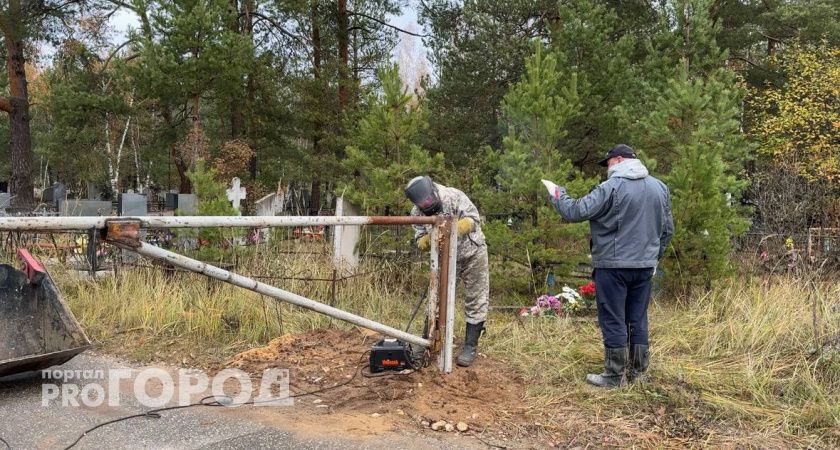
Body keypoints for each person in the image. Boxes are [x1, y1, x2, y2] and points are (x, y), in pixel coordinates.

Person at [544, 144, 674, 388]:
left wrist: (558, 193)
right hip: (645, 266)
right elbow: (667, 230)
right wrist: (653, 257)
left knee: (613, 317)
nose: (607, 169)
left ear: (618, 160)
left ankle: (614, 377)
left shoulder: (611, 187)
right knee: (637, 318)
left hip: (613, 266)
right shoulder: (660, 188)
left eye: (608, 164)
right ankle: (638, 374)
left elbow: (575, 211)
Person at [405, 176, 489, 367]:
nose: (427, 204)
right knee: (436, 299)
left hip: (472, 252)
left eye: (429, 200)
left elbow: (474, 219)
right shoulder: (416, 213)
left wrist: (458, 227)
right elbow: (419, 236)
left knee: (477, 297)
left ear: (433, 191)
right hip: (443, 258)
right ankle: (427, 341)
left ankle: (470, 345)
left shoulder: (453, 195)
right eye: (423, 203)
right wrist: (425, 241)